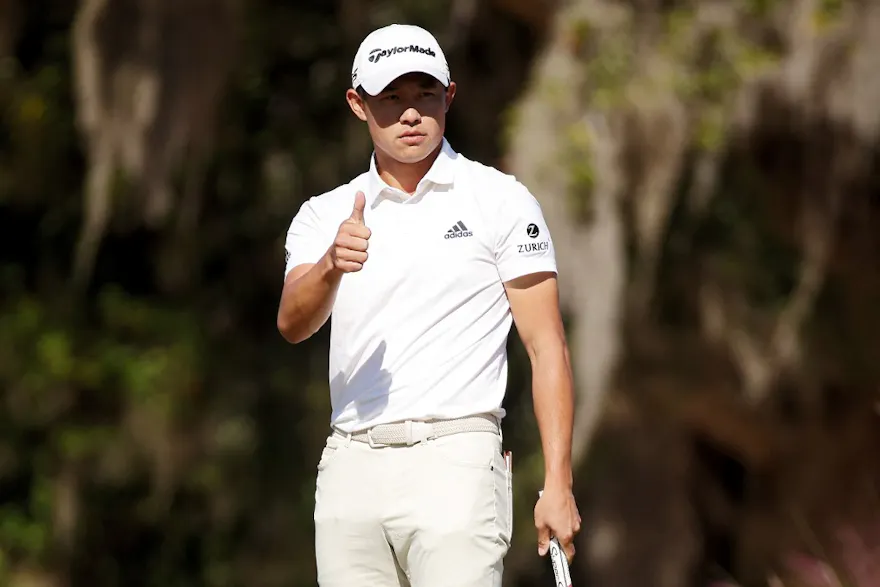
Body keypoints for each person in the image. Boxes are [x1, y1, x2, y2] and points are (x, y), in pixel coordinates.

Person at [277, 23, 580, 587]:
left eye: (425, 94)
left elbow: (546, 347)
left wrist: (557, 483)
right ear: (357, 104)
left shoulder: (501, 201)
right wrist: (329, 266)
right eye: (391, 97)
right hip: (351, 463)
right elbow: (293, 323)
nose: (411, 113)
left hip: (457, 458)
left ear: (450, 96)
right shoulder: (326, 214)